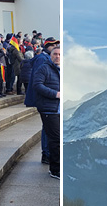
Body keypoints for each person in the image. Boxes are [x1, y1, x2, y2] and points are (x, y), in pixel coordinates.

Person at [33, 47, 60, 179]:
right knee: (55, 140)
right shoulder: (44, 68)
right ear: (50, 55)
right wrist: (55, 94)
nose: (58, 56)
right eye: (55, 54)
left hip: (59, 109)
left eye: (60, 54)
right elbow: (37, 85)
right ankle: (55, 170)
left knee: (59, 139)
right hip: (49, 109)